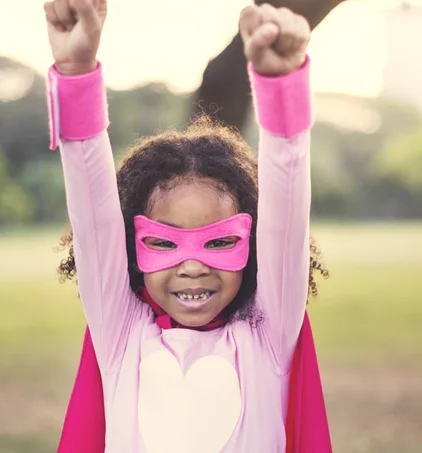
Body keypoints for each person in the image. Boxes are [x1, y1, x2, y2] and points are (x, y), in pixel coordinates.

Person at [44, 0, 332, 451]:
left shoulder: (267, 338)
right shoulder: (122, 336)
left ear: (252, 245)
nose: (193, 266)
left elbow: (287, 219)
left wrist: (281, 86)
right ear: (131, 246)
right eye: (163, 242)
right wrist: (76, 70)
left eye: (219, 241)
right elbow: (91, 216)